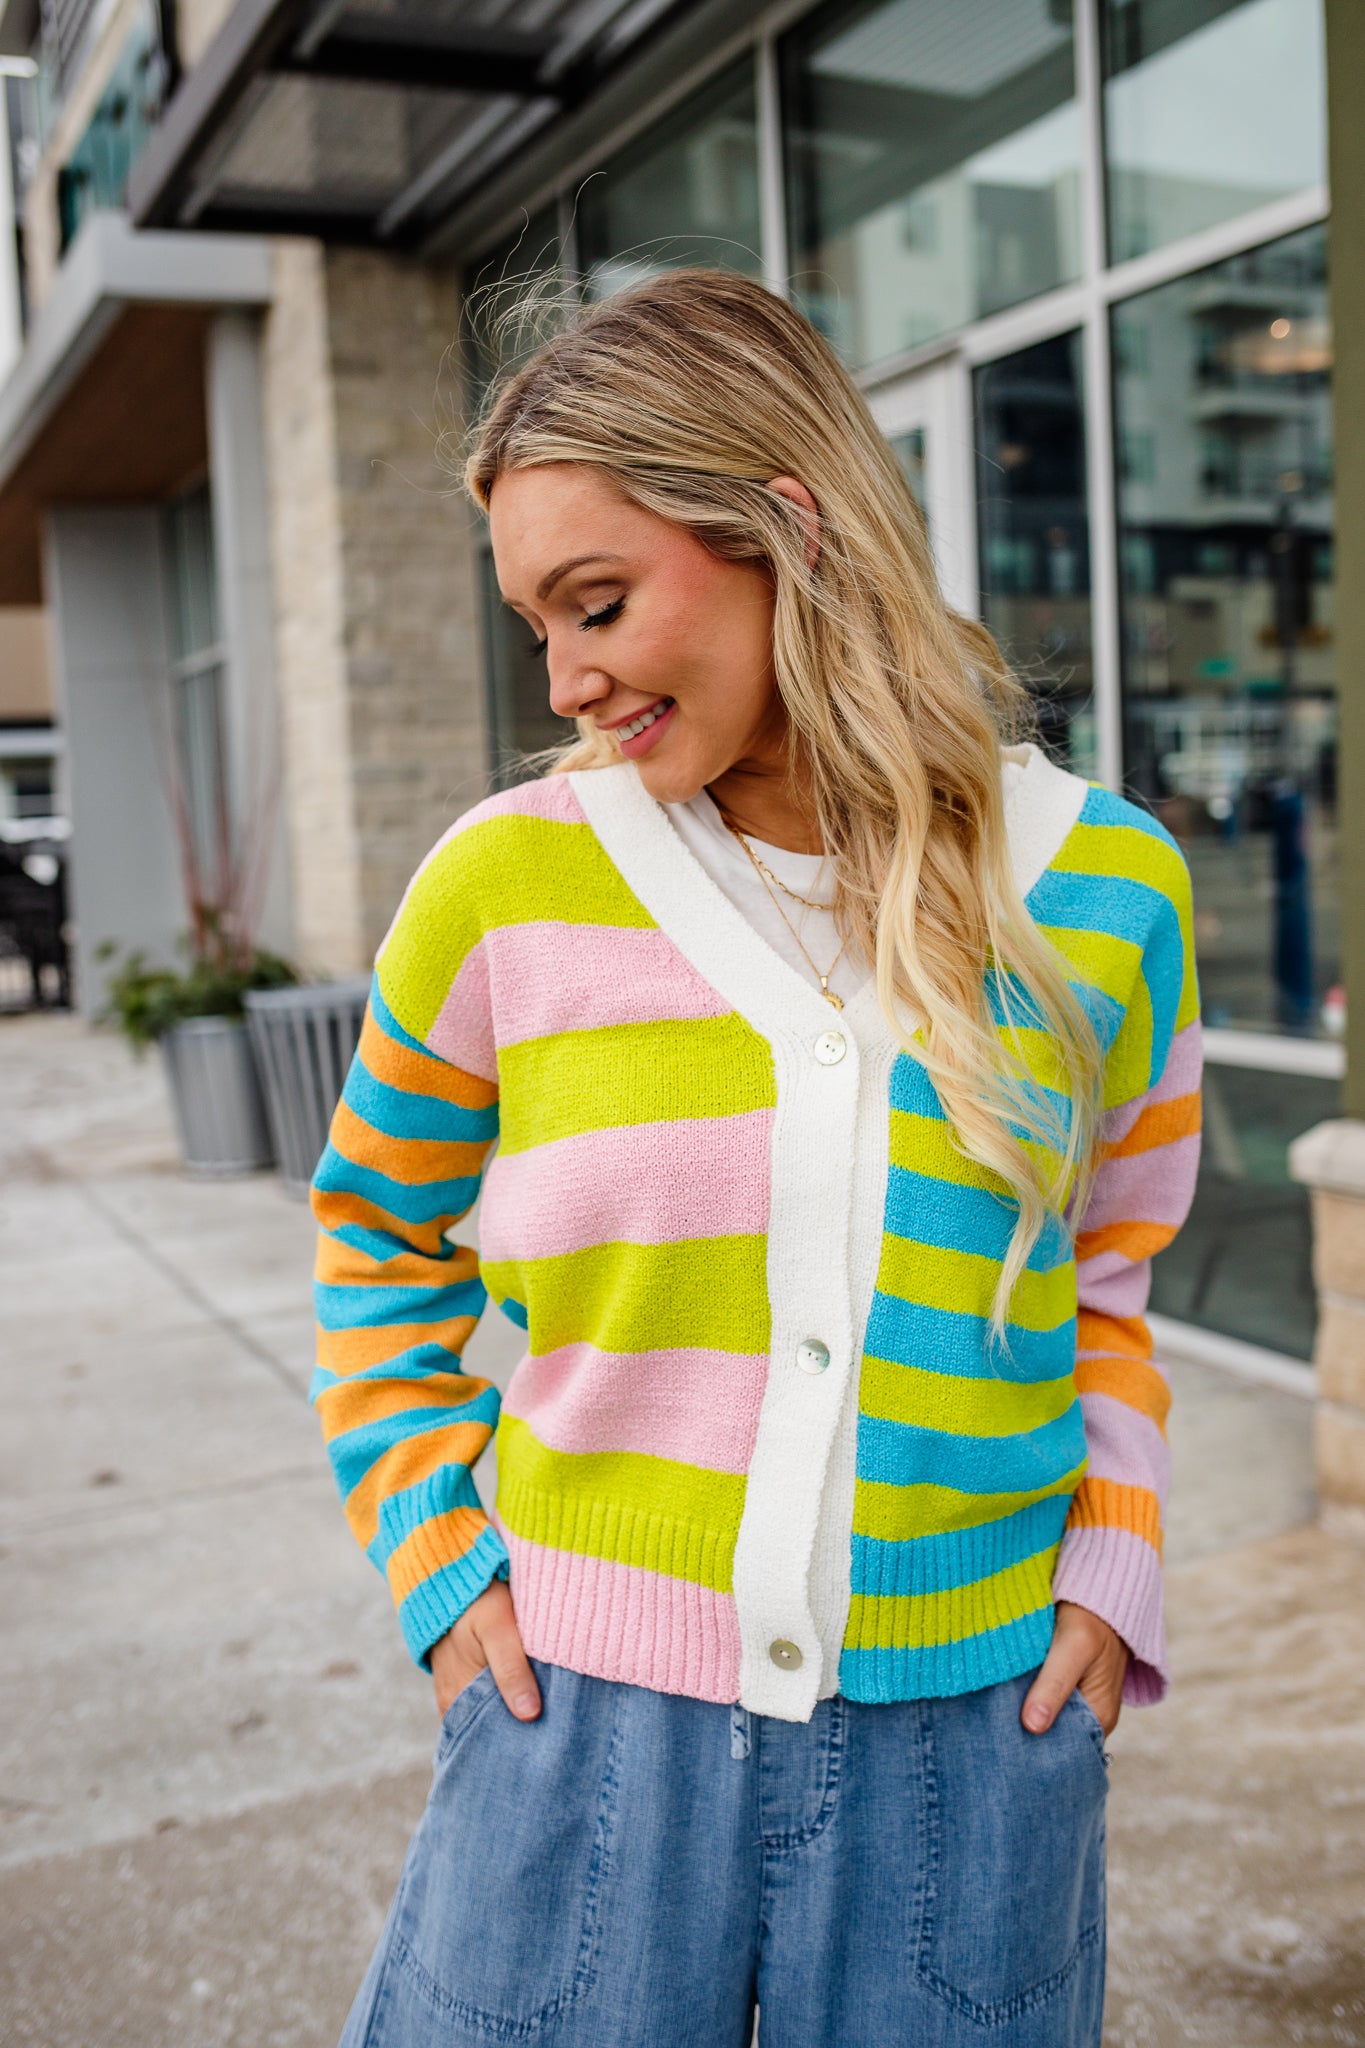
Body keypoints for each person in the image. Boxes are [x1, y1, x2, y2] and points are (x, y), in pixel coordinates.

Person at [310, 270, 1201, 2048]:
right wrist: (435, 1550)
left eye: (598, 603)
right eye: (535, 624)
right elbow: (372, 1242)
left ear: (784, 526)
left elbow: (1105, 1280)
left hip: (974, 1746)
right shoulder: (503, 886)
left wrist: (1112, 1556)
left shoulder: (1109, 893)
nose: (566, 680)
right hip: (584, 1734)